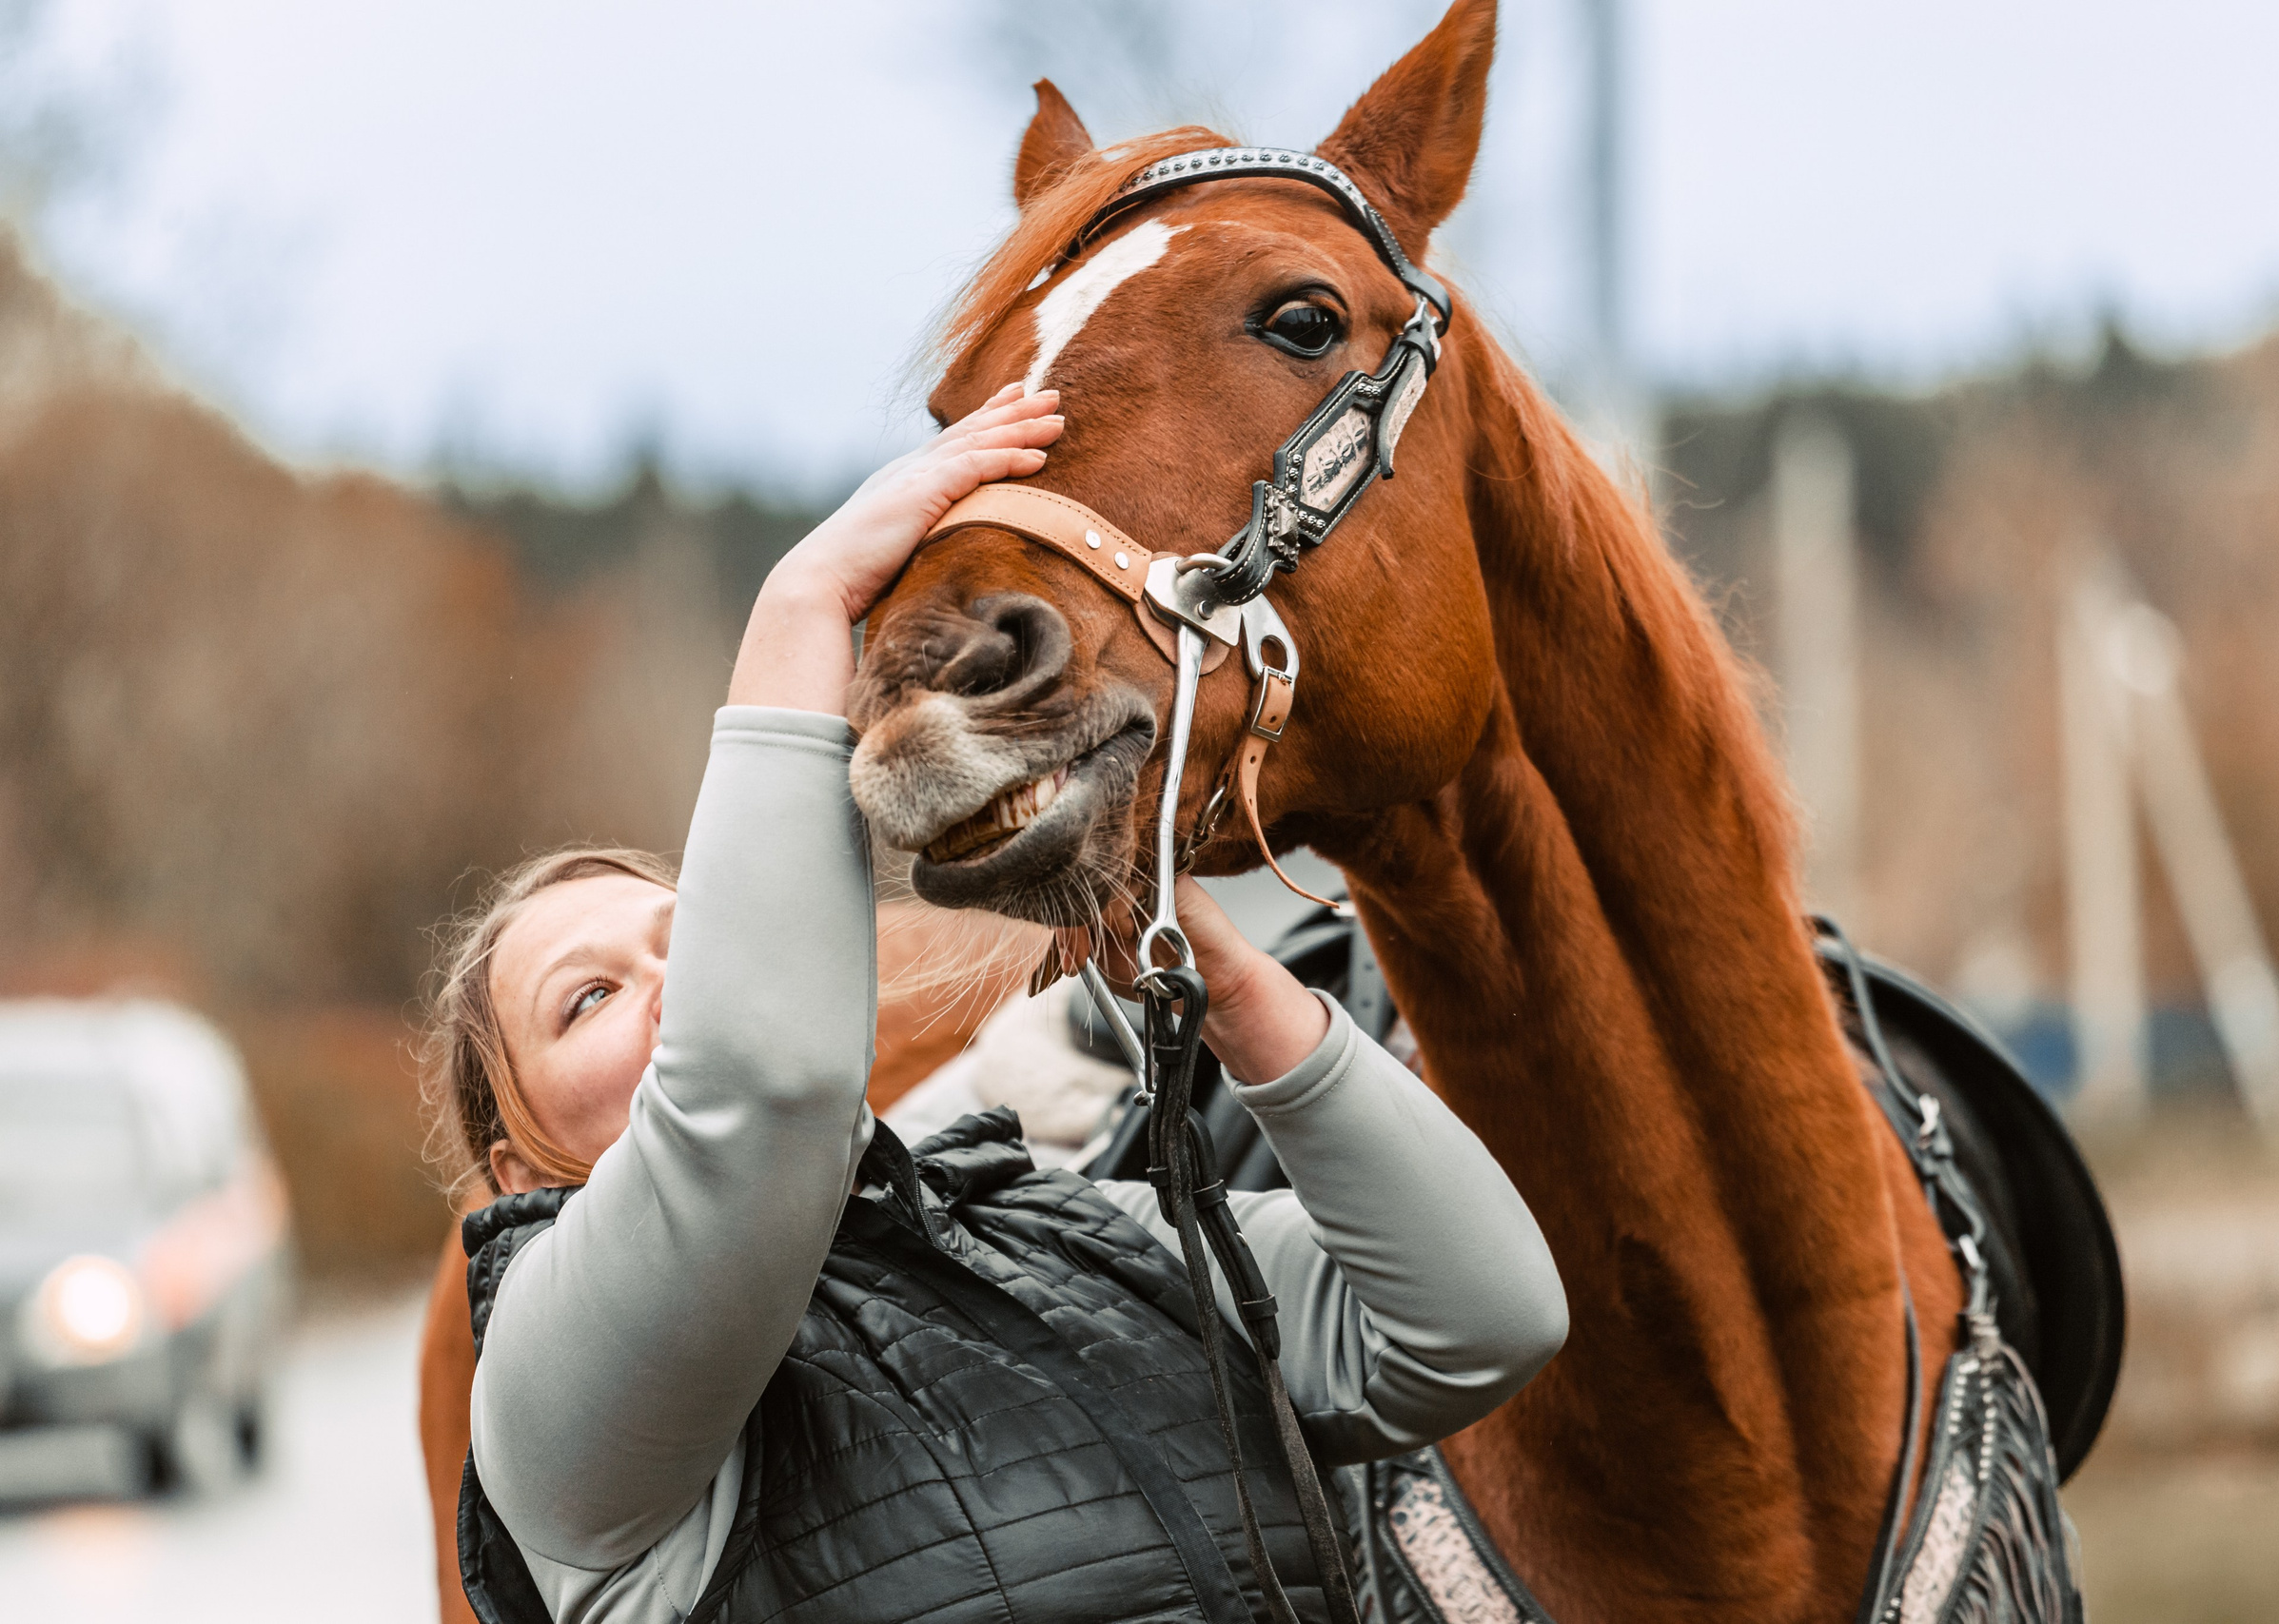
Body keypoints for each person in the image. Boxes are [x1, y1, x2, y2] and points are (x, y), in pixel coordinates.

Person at [421, 383, 1569, 1624]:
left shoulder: (1070, 1234)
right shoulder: (548, 1414)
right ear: (513, 1159)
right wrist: (804, 608)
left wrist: (1232, 989)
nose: (673, 991)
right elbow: (760, 1092)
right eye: (586, 999)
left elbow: (1481, 1319)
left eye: (688, 944)